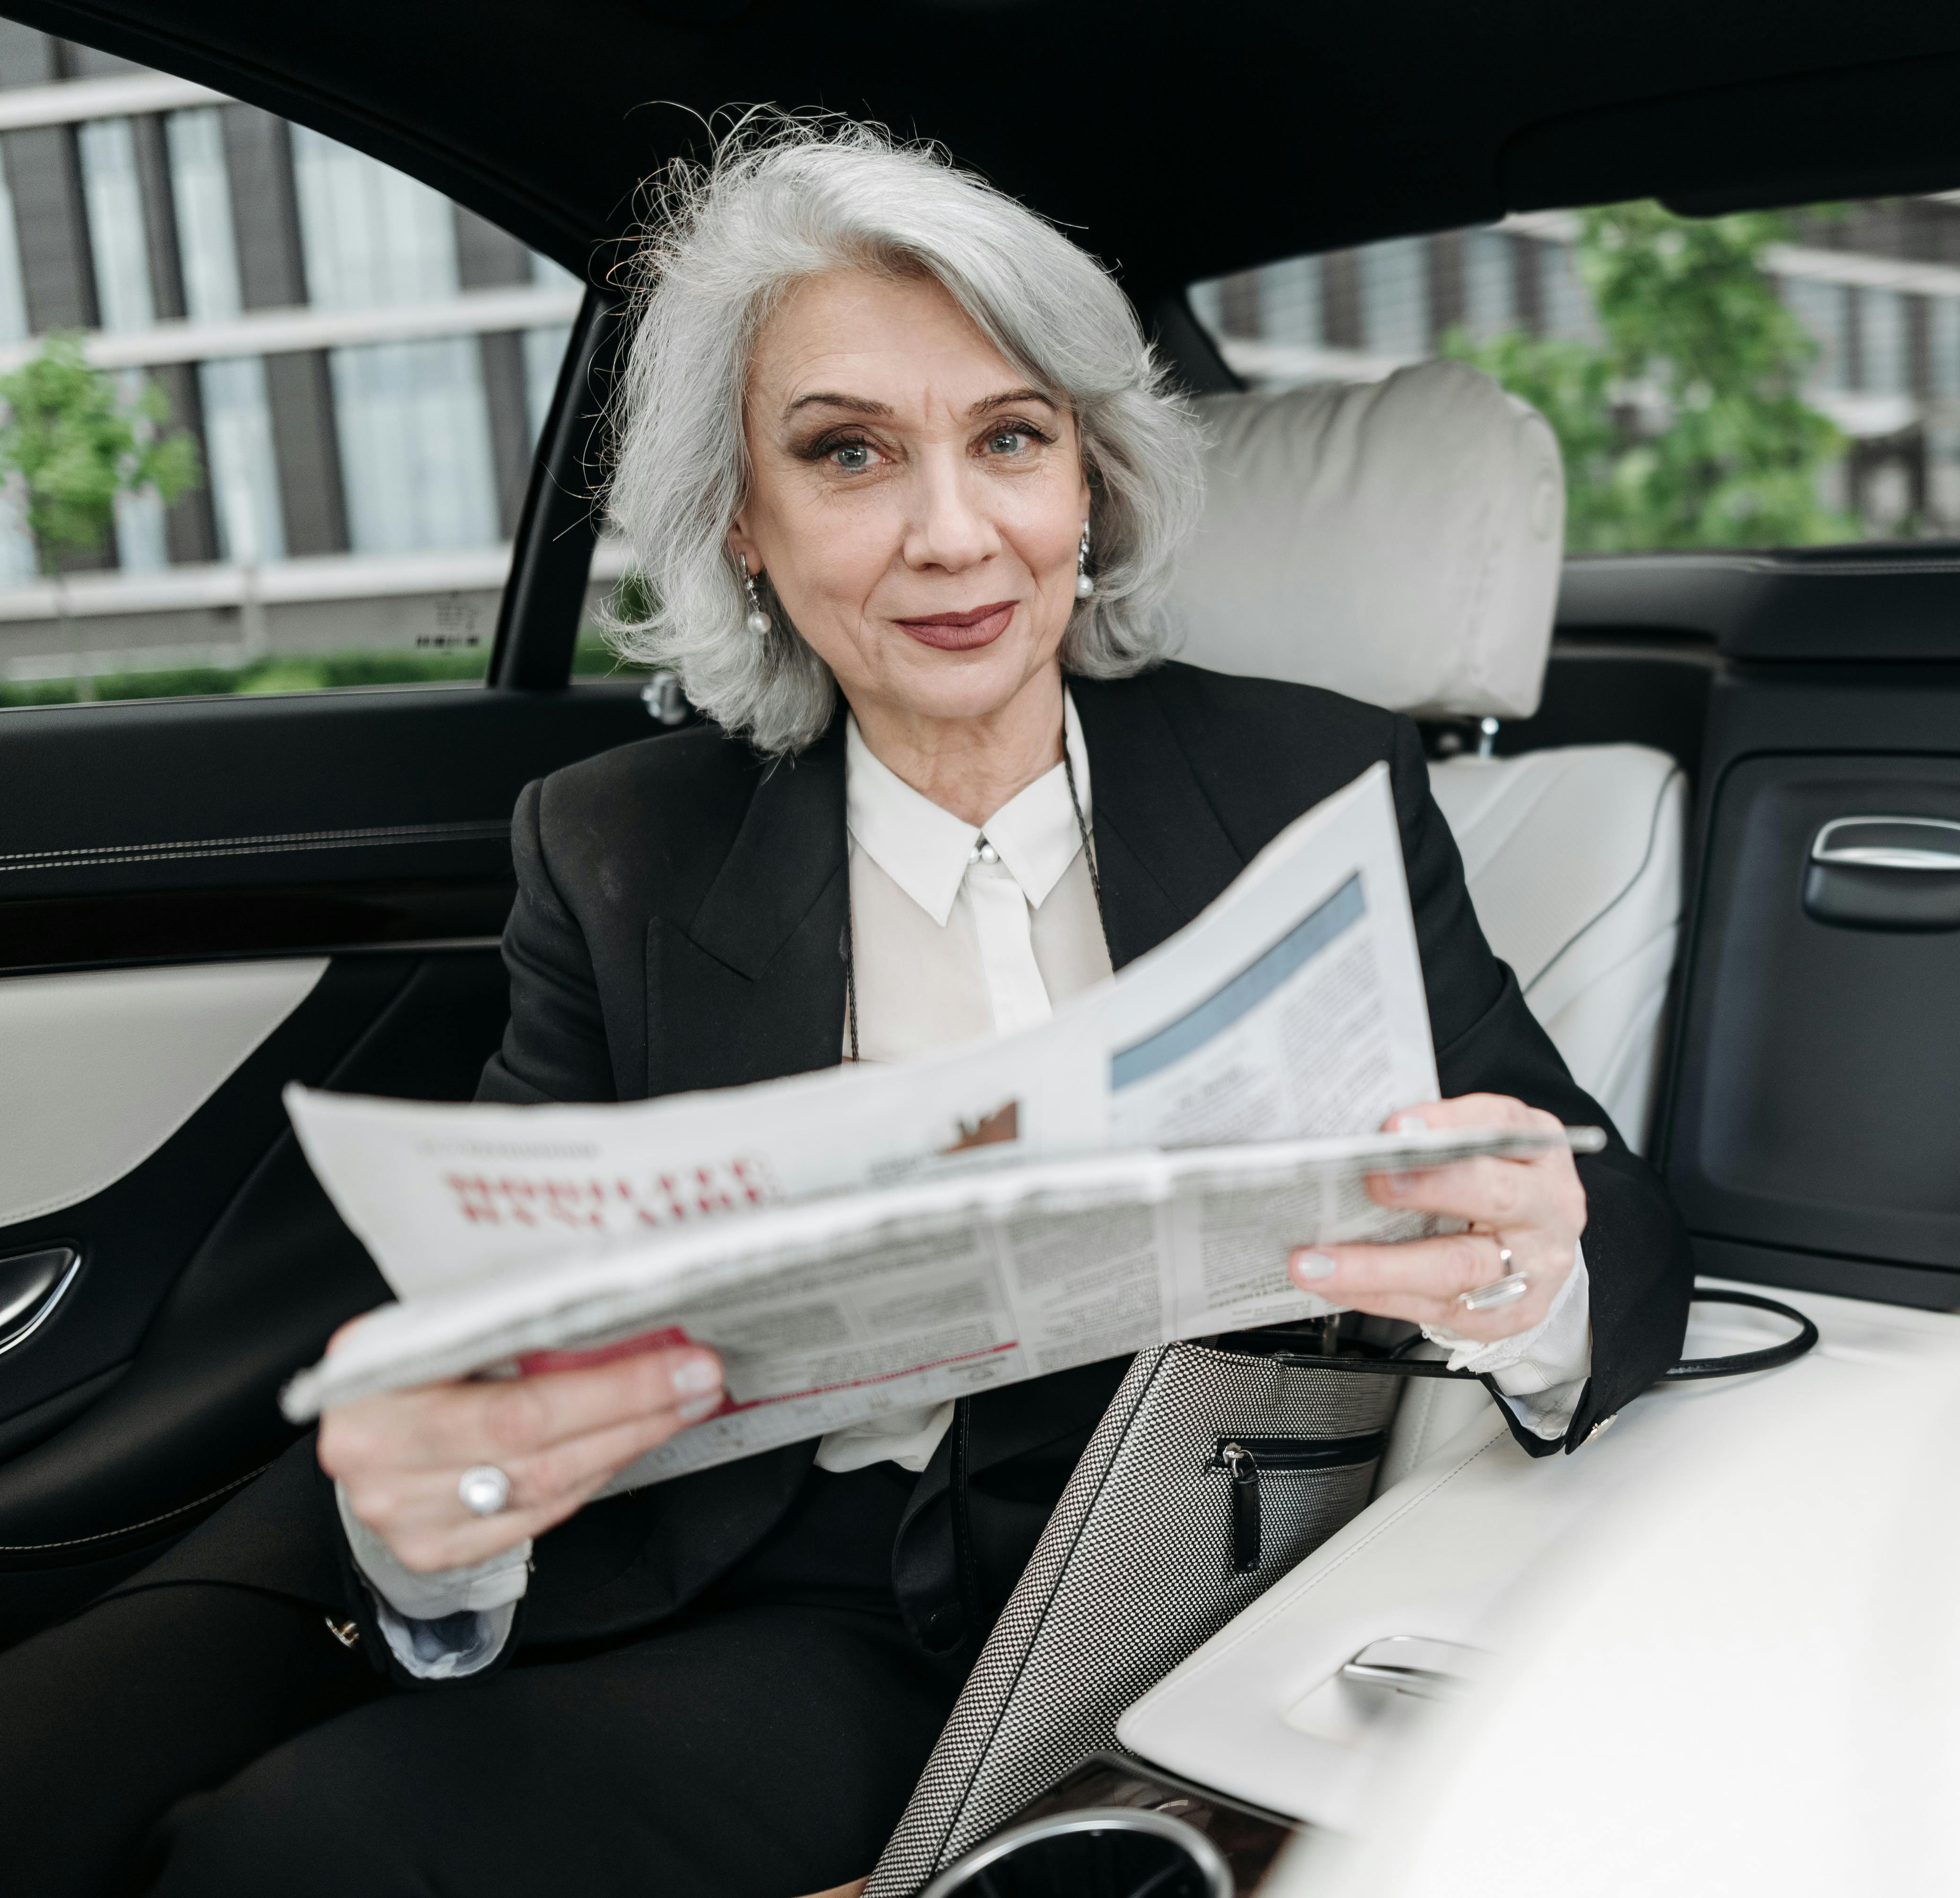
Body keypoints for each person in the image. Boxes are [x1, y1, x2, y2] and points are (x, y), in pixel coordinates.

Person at [0, 116, 1693, 1897]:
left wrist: (1531, 1268)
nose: (953, 536)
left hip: (1055, 1597)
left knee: (302, 1857)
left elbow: (1612, 1223)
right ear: (743, 520)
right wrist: (443, 1524)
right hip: (650, 1545)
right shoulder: (615, 842)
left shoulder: (1307, 779)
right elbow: (500, 1330)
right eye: (849, 453)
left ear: (1090, 482)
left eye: (1011, 440)